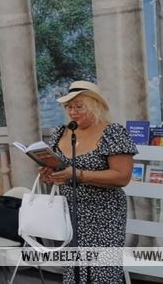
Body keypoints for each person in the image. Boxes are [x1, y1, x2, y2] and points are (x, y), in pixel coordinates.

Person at [39, 80, 136, 283]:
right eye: (69, 107)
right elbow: (58, 172)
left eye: (79, 106)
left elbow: (122, 176)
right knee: (74, 271)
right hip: (69, 213)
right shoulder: (60, 133)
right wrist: (48, 176)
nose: (72, 112)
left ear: (95, 106)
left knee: (102, 273)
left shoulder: (113, 132)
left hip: (105, 214)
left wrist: (79, 175)